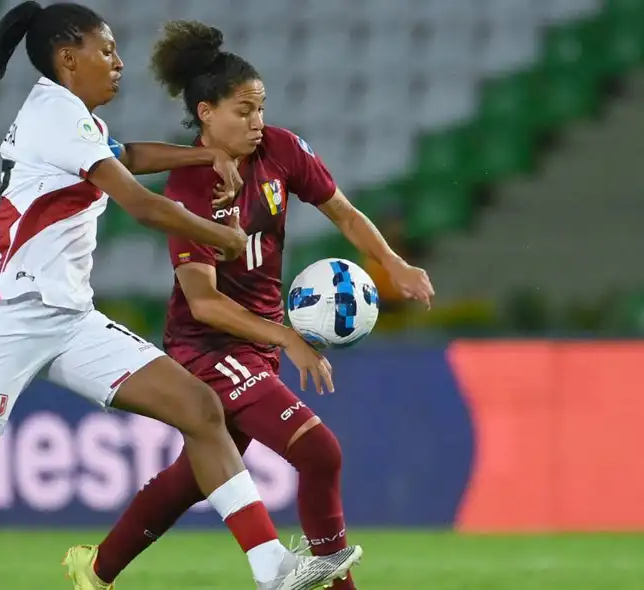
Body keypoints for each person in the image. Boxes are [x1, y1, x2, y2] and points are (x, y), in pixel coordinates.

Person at [0, 4, 360, 590]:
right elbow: (139, 202)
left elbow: (126, 155)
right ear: (68, 58)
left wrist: (204, 154)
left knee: (200, 409)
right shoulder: (56, 116)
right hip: (7, 317)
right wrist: (221, 234)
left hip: (68, 319)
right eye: (105, 50)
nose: (117, 63)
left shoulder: (71, 115)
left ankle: (271, 569)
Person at [63, 20, 435, 590]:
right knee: (320, 453)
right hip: (207, 347)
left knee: (195, 476)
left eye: (260, 108)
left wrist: (394, 264)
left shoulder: (282, 150)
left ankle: (95, 569)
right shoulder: (188, 188)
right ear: (207, 114)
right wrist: (287, 336)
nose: (257, 122)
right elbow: (204, 302)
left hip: (258, 343)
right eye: (244, 111)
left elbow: (343, 212)